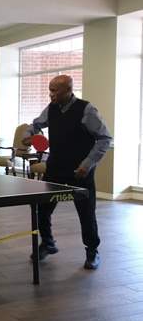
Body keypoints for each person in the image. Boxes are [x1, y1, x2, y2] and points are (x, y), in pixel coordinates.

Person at [23, 75, 112, 270]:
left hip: (79, 172)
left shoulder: (86, 109)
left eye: (55, 91)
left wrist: (87, 164)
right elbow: (36, 124)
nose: (51, 94)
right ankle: (47, 243)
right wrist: (29, 134)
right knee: (42, 210)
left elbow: (105, 139)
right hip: (54, 169)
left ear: (69, 90)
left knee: (86, 214)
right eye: (50, 90)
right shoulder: (52, 107)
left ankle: (92, 251)